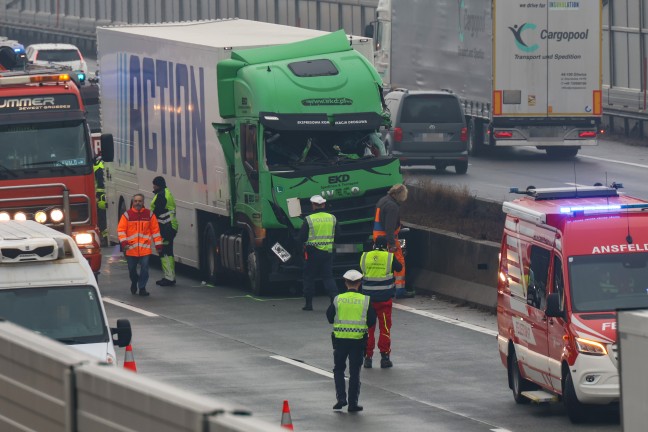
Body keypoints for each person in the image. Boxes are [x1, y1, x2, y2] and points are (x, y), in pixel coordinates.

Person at [326, 269, 376, 412]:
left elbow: (330, 317)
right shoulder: (365, 300)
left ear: (345, 282)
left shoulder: (338, 299)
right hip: (358, 341)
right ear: (359, 283)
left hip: (340, 341)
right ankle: (353, 403)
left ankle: (341, 398)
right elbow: (372, 321)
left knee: (338, 369)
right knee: (355, 372)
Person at [359, 235, 402, 369]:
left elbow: (361, 270)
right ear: (386, 246)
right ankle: (385, 358)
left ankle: (368, 358)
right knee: (384, 328)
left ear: (374, 244)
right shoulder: (389, 257)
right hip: (384, 301)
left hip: (368, 301)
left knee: (369, 330)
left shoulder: (365, 256)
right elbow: (399, 268)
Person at [298, 195, 338, 311]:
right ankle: (334, 301)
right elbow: (338, 235)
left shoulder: (309, 219)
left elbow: (301, 237)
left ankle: (308, 304)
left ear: (313, 205)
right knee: (328, 277)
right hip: (328, 252)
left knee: (309, 277)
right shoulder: (332, 218)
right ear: (323, 205)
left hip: (312, 252)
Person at [118, 193, 163, 296]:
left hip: (145, 249)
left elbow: (155, 231)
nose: (137, 203)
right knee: (132, 270)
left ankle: (142, 288)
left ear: (143, 202)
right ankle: (134, 282)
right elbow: (121, 230)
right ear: (133, 202)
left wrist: (158, 245)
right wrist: (124, 243)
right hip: (130, 249)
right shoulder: (127, 215)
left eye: (140, 201)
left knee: (145, 269)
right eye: (136, 201)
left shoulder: (149, 215)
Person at [373, 184, 412, 298]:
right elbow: (389, 227)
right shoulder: (392, 206)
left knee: (384, 265)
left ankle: (386, 288)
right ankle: (400, 290)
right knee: (399, 263)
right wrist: (392, 244)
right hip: (388, 239)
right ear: (399, 195)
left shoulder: (382, 201)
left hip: (378, 238)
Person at [151, 176, 178, 286]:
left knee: (164, 253)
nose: (153, 186)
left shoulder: (160, 195)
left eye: (154, 184)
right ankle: (170, 276)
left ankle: (169, 278)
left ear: (158, 185)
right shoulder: (166, 192)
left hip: (166, 228)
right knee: (168, 252)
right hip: (170, 226)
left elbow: (155, 212)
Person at [93, 154, 108, 246]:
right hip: (107, 194)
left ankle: (104, 238)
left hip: (100, 196)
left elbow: (98, 183)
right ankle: (105, 237)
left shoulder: (97, 165)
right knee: (105, 217)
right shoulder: (105, 163)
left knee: (101, 218)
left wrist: (97, 195)